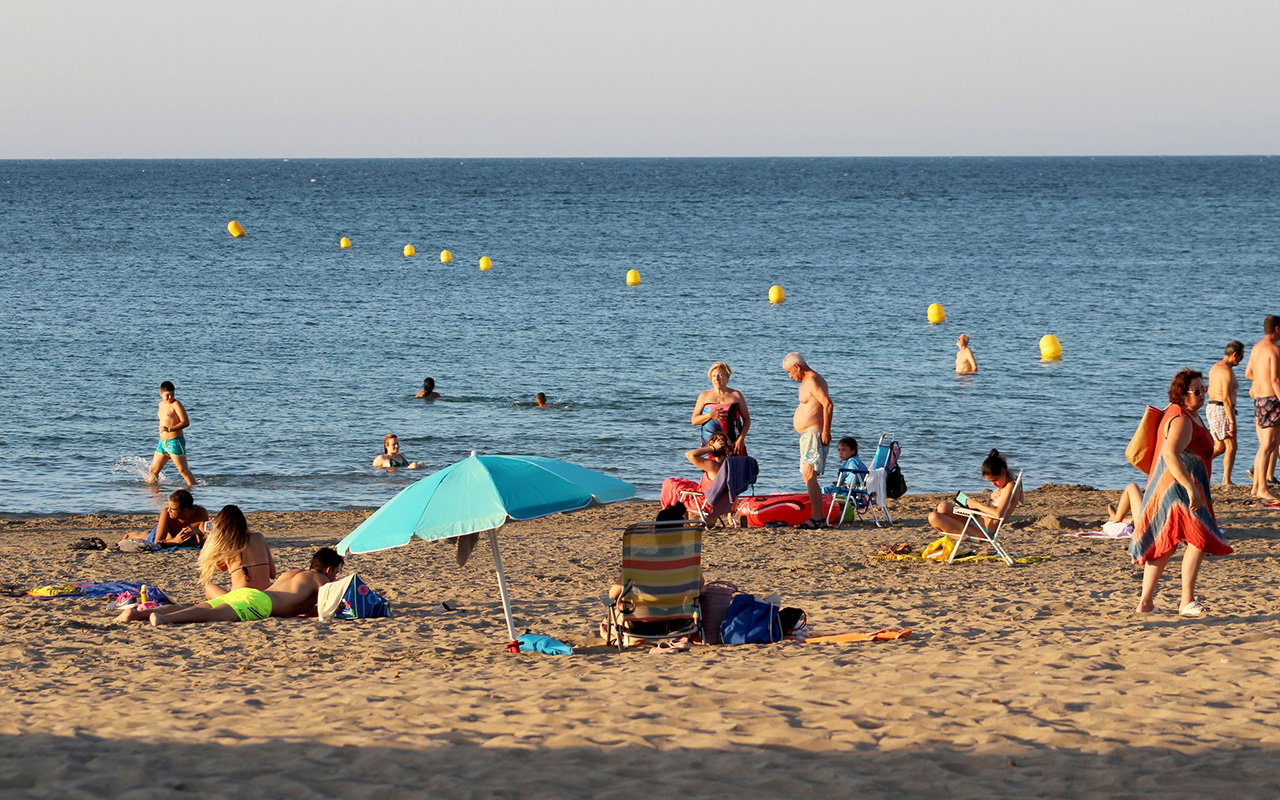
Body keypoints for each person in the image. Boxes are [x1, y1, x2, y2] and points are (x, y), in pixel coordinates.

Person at [1130, 369, 1233, 616]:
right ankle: (1186, 600)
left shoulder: (1188, 415)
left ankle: (1146, 603)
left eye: (1203, 389)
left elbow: (1196, 454)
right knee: (1200, 538)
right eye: (1196, 391)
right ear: (1182, 395)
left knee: (1166, 544)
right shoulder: (1181, 419)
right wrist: (1189, 488)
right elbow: (1170, 454)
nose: (1202, 394)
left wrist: (1218, 446)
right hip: (1179, 490)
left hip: (1177, 488)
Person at [116, 548, 344, 626]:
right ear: (328, 570)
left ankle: (136, 615)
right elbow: (325, 609)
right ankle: (164, 619)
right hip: (260, 604)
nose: (335, 578)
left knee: (197, 605)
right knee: (209, 614)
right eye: (336, 573)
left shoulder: (293, 572)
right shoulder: (320, 580)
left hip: (252, 594)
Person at [783, 353, 833, 530]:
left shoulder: (812, 380)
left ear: (797, 367)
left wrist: (826, 430)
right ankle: (817, 516)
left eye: (789, 372)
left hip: (814, 433)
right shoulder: (807, 382)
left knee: (809, 475)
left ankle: (817, 518)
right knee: (807, 475)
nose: (790, 376)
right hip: (807, 435)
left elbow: (827, 404)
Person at [928, 449, 1023, 535]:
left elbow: (998, 514)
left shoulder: (1010, 486)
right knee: (942, 506)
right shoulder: (1002, 487)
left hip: (982, 531)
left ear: (1003, 471)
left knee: (933, 517)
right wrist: (978, 505)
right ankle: (950, 531)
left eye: (995, 480)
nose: (993, 484)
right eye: (990, 482)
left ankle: (953, 534)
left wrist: (977, 504)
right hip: (976, 519)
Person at [197, 505, 276, 600]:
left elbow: (221, 567)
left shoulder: (227, 545)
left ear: (220, 526)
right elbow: (272, 574)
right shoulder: (259, 537)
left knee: (210, 588)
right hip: (264, 597)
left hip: (239, 600)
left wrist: (211, 536)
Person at [1244, 316, 1280, 503]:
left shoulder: (1256, 348)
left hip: (1259, 399)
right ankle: (1262, 488)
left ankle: (1257, 486)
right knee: (1268, 445)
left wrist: (1260, 381)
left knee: (1265, 446)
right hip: (1272, 400)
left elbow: (1248, 373)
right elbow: (1275, 380)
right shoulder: (1274, 350)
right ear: (1277, 329)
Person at [691, 362, 751, 456]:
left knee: (735, 468)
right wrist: (710, 415)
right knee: (712, 469)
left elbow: (747, 419)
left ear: (727, 377)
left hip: (733, 442)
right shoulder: (704, 396)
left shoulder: (736, 395)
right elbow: (694, 420)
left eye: (719, 375)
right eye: (714, 375)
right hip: (711, 443)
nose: (716, 378)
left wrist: (741, 439)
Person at [659, 433, 731, 511]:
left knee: (669, 484)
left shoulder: (714, 466)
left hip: (705, 503)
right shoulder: (732, 465)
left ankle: (667, 511)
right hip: (724, 504)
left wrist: (712, 448)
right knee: (681, 483)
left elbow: (689, 455)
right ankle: (684, 521)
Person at [119, 489, 209, 550]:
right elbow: (157, 541)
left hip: (175, 536)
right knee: (147, 536)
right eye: (168, 507)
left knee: (148, 533)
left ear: (185, 510)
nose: (168, 510)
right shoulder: (166, 513)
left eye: (172, 509)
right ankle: (130, 535)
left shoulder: (200, 513)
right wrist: (175, 540)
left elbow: (203, 541)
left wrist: (198, 532)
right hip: (166, 536)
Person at [145, 381, 197, 486]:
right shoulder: (160, 405)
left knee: (183, 471)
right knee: (153, 471)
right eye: (167, 395)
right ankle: (154, 497)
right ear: (160, 393)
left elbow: (185, 422)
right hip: (163, 443)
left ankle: (194, 491)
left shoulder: (176, 404)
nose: (170, 397)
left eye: (172, 394)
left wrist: (169, 429)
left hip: (175, 442)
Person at [1207, 340, 1244, 486]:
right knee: (1231, 446)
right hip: (1222, 408)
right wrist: (1232, 422)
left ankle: (1197, 465)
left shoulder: (1215, 367)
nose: (1241, 361)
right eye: (1241, 357)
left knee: (1220, 447)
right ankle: (1226, 480)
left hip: (1213, 407)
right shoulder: (1226, 372)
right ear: (1234, 355)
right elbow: (1227, 399)